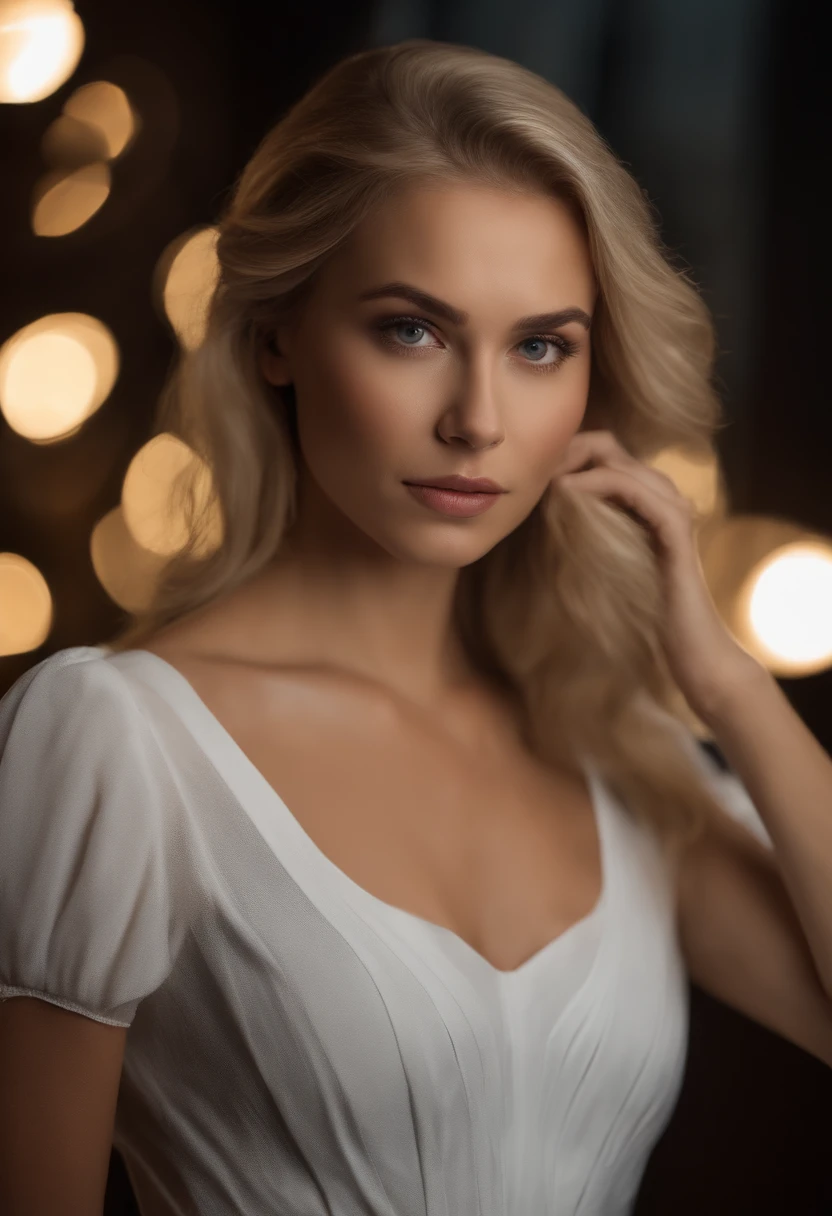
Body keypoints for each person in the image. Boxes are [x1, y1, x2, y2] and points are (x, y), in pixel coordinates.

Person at [2, 37, 831, 1216]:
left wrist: (731, 688)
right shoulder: (115, 739)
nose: (479, 420)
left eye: (540, 346)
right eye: (413, 330)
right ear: (278, 335)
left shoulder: (613, 753)